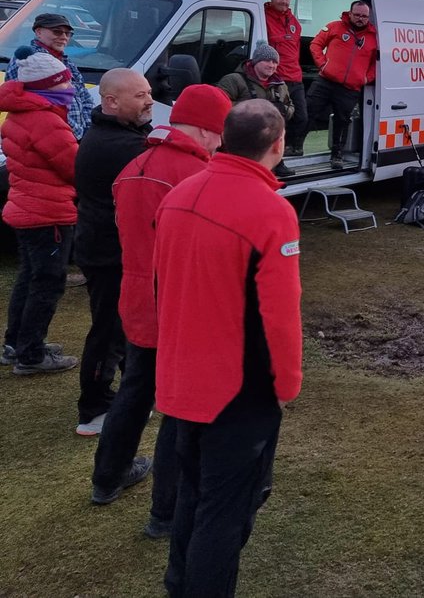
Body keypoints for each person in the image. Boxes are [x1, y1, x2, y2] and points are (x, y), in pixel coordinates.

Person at [157, 100, 303, 597]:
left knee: (194, 495)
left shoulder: (179, 194)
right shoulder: (271, 211)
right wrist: (286, 384)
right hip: (236, 388)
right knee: (225, 510)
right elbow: (280, 315)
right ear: (278, 145)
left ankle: (179, 583)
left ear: (222, 137)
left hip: (183, 376)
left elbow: (164, 283)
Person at [90, 85, 231, 534]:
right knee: (179, 407)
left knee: (135, 388)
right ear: (209, 131)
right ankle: (165, 512)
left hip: (136, 296)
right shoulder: (198, 174)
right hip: (179, 300)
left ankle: (107, 477)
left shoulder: (134, 165)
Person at [74, 68, 155, 437]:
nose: (149, 100)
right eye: (139, 96)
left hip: (114, 249)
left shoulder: (122, 134)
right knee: (107, 331)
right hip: (107, 253)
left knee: (124, 328)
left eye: (149, 92)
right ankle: (94, 409)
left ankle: (130, 393)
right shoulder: (117, 146)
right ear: (111, 102)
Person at [1, 47, 80, 374]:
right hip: (49, 214)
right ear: (47, 86)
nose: (70, 87)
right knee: (47, 282)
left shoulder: (18, 115)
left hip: (24, 207)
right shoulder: (46, 121)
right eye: (63, 83)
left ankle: (15, 343)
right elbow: (74, 166)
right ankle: (31, 354)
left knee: (29, 277)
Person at [307, 0, 378, 169]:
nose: (360, 18)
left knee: (342, 121)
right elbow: (315, 45)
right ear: (350, 13)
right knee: (308, 112)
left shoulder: (373, 37)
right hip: (325, 81)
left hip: (350, 88)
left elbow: (377, 63)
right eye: (357, 15)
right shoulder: (335, 26)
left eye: (364, 16)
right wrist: (323, 65)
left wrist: (366, 78)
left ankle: (337, 155)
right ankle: (293, 147)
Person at [5, 12, 94, 139]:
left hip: (75, 137)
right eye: (57, 32)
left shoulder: (66, 61)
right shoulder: (26, 61)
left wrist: (86, 130)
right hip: (47, 137)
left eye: (68, 33)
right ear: (39, 32)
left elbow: (84, 96)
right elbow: (20, 101)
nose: (64, 37)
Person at [218, 42, 296, 177]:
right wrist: (250, 109)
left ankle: (277, 164)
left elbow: (291, 106)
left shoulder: (280, 84)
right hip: (240, 141)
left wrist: (283, 111)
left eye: (274, 62)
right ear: (256, 61)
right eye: (267, 60)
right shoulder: (234, 80)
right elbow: (218, 103)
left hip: (269, 140)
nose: (271, 65)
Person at [263, 0, 308, 157]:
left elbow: (295, 50)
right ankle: (276, 156)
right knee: (280, 120)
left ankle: (291, 148)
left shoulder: (294, 22)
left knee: (301, 117)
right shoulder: (264, 18)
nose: (284, 1)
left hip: (295, 78)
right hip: (277, 79)